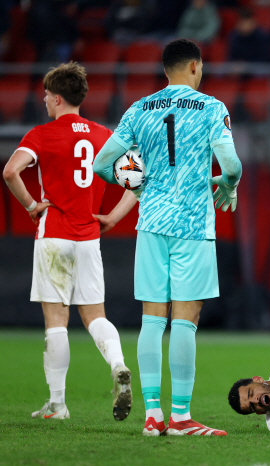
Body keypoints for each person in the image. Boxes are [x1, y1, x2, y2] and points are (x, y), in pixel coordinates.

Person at [92, 39, 243, 437]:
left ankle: (153, 417)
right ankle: (180, 418)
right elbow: (231, 164)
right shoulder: (212, 107)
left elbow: (102, 164)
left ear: (165, 70)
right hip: (192, 226)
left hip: (151, 223)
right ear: (195, 66)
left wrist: (140, 184)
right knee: (186, 321)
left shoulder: (139, 108)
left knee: (152, 320)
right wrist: (229, 184)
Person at [2, 62, 136, 421]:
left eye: (46, 94)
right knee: (95, 315)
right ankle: (119, 364)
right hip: (90, 237)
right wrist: (113, 216)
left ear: (57, 97)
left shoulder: (42, 134)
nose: (44, 100)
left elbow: (10, 171)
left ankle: (58, 405)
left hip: (54, 234)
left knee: (56, 320)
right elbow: (139, 181)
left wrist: (31, 205)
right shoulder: (103, 135)